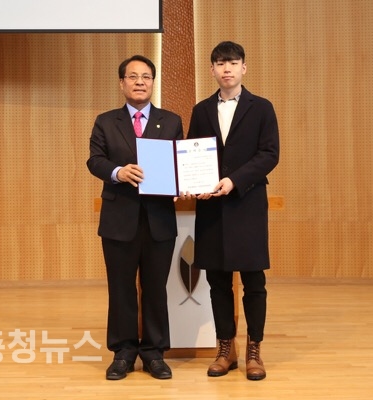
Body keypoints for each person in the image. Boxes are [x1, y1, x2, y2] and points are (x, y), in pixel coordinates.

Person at [182, 41, 279, 380]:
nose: (227, 69)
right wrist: (191, 182)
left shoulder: (262, 108)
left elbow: (269, 154)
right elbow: (192, 152)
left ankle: (254, 349)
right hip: (212, 207)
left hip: (247, 203)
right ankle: (226, 348)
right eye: (221, 63)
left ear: (243, 68)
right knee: (217, 281)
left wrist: (234, 180)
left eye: (233, 63)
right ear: (212, 70)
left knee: (254, 281)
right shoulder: (201, 110)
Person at [87, 55, 183, 380]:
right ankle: (124, 352)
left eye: (146, 76)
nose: (140, 81)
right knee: (121, 289)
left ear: (153, 82)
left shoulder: (171, 121)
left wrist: (181, 183)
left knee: (156, 288)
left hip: (159, 220)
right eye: (133, 76)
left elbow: (179, 162)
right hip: (119, 219)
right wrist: (118, 171)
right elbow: (95, 160)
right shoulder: (105, 121)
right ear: (122, 83)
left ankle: (154, 353)